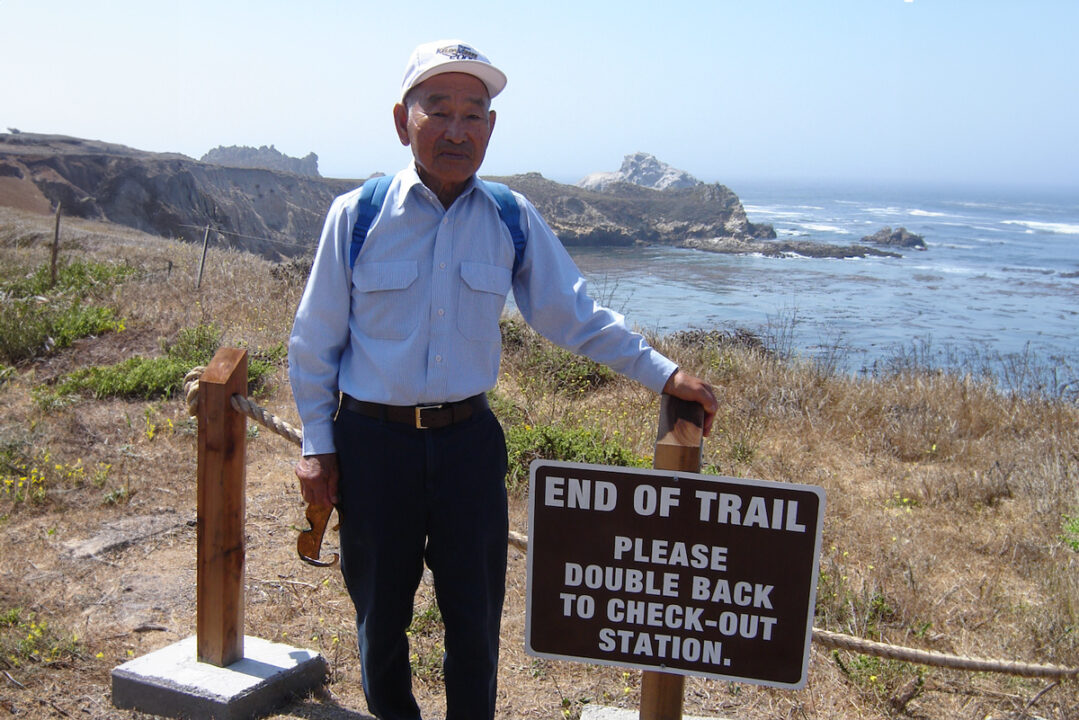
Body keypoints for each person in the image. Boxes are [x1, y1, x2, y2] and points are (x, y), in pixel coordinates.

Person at [288, 39, 718, 720]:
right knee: (379, 616)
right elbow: (314, 342)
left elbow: (572, 313)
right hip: (373, 444)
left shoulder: (510, 217)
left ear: (491, 127)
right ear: (403, 122)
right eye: (439, 110)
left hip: (468, 444)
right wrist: (318, 444)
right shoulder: (358, 215)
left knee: (475, 619)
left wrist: (663, 373)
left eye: (475, 113)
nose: (457, 129)